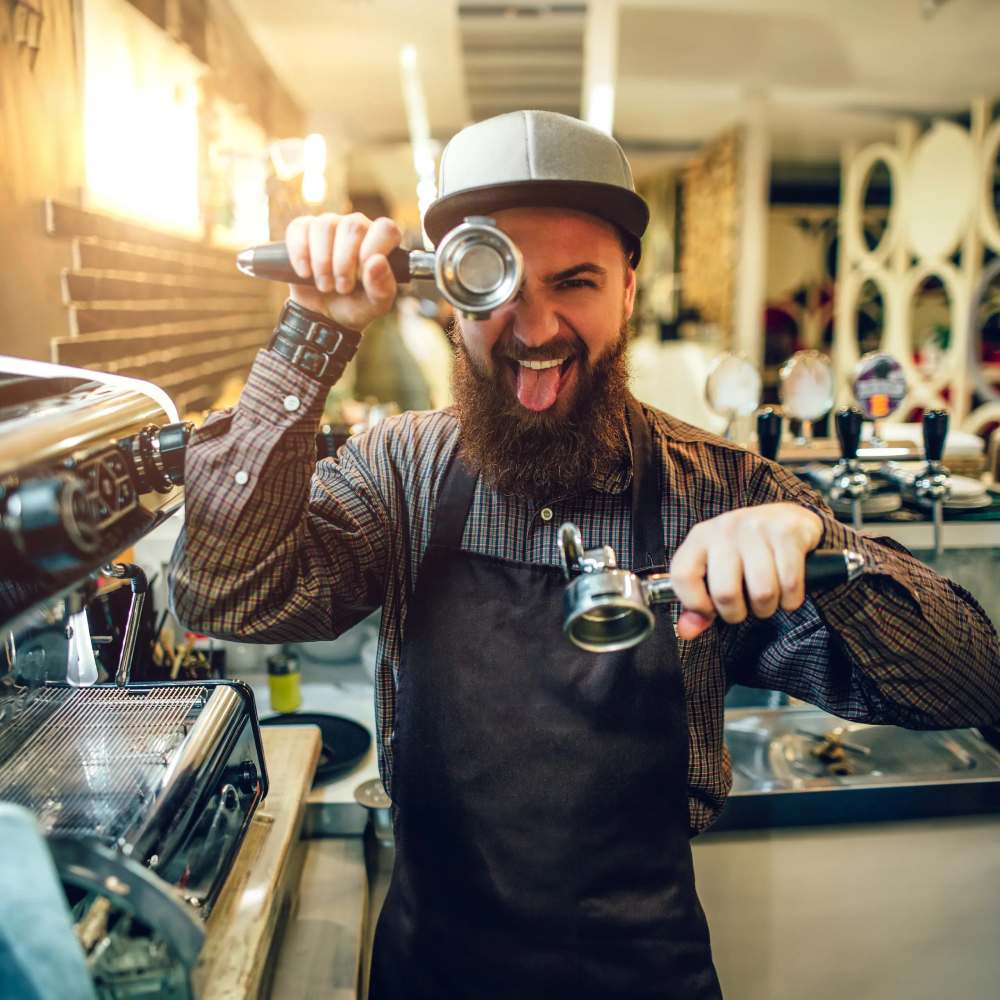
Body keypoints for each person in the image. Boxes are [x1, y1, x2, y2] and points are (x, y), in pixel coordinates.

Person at [169, 110, 1000, 999]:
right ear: (450, 293)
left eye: (577, 282)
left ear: (630, 290)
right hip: (434, 967)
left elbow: (974, 682)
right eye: (497, 284)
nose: (538, 327)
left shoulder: (717, 489)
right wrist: (311, 334)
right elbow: (226, 596)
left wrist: (823, 545)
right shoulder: (401, 474)